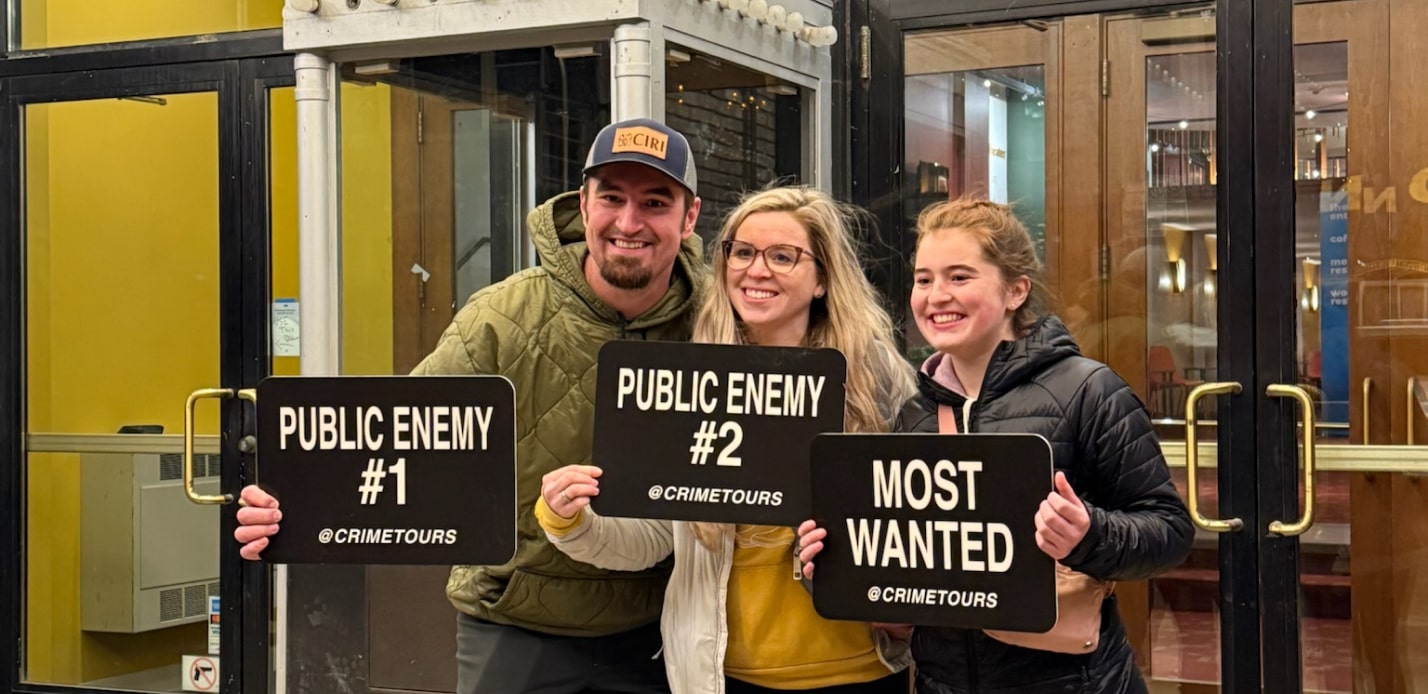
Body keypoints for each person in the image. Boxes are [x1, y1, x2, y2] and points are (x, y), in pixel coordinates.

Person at [235, 117, 707, 694]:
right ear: (583, 206)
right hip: (513, 623)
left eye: (655, 202)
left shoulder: (718, 325)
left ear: (689, 218)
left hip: (666, 627)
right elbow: (397, 440)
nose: (629, 222)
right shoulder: (501, 317)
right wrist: (290, 507)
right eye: (612, 197)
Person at [795, 198, 1194, 694]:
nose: (936, 296)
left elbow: (1170, 532)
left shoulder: (1089, 391)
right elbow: (898, 568)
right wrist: (829, 565)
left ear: (1015, 291)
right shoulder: (911, 413)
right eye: (924, 279)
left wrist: (1088, 534)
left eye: (960, 277)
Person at [536, 185, 919, 694]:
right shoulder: (692, 384)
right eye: (742, 252)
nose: (756, 271)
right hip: (721, 674)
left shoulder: (878, 384)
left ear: (823, 278)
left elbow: (915, 543)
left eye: (783, 256)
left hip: (858, 672)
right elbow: (652, 539)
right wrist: (568, 518)